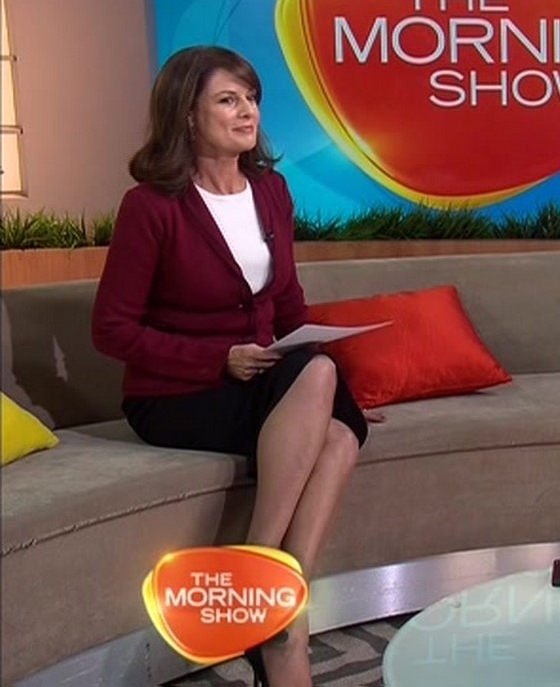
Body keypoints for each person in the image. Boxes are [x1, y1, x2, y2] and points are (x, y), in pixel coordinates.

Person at [92, 46, 375, 687]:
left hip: (261, 381)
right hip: (177, 394)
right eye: (228, 99)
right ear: (187, 115)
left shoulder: (271, 190)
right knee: (320, 390)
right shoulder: (151, 207)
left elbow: (288, 303)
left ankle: (276, 611)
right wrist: (217, 359)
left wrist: (327, 389)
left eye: (251, 98)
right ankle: (261, 579)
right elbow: (111, 329)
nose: (248, 111)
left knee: (338, 426)